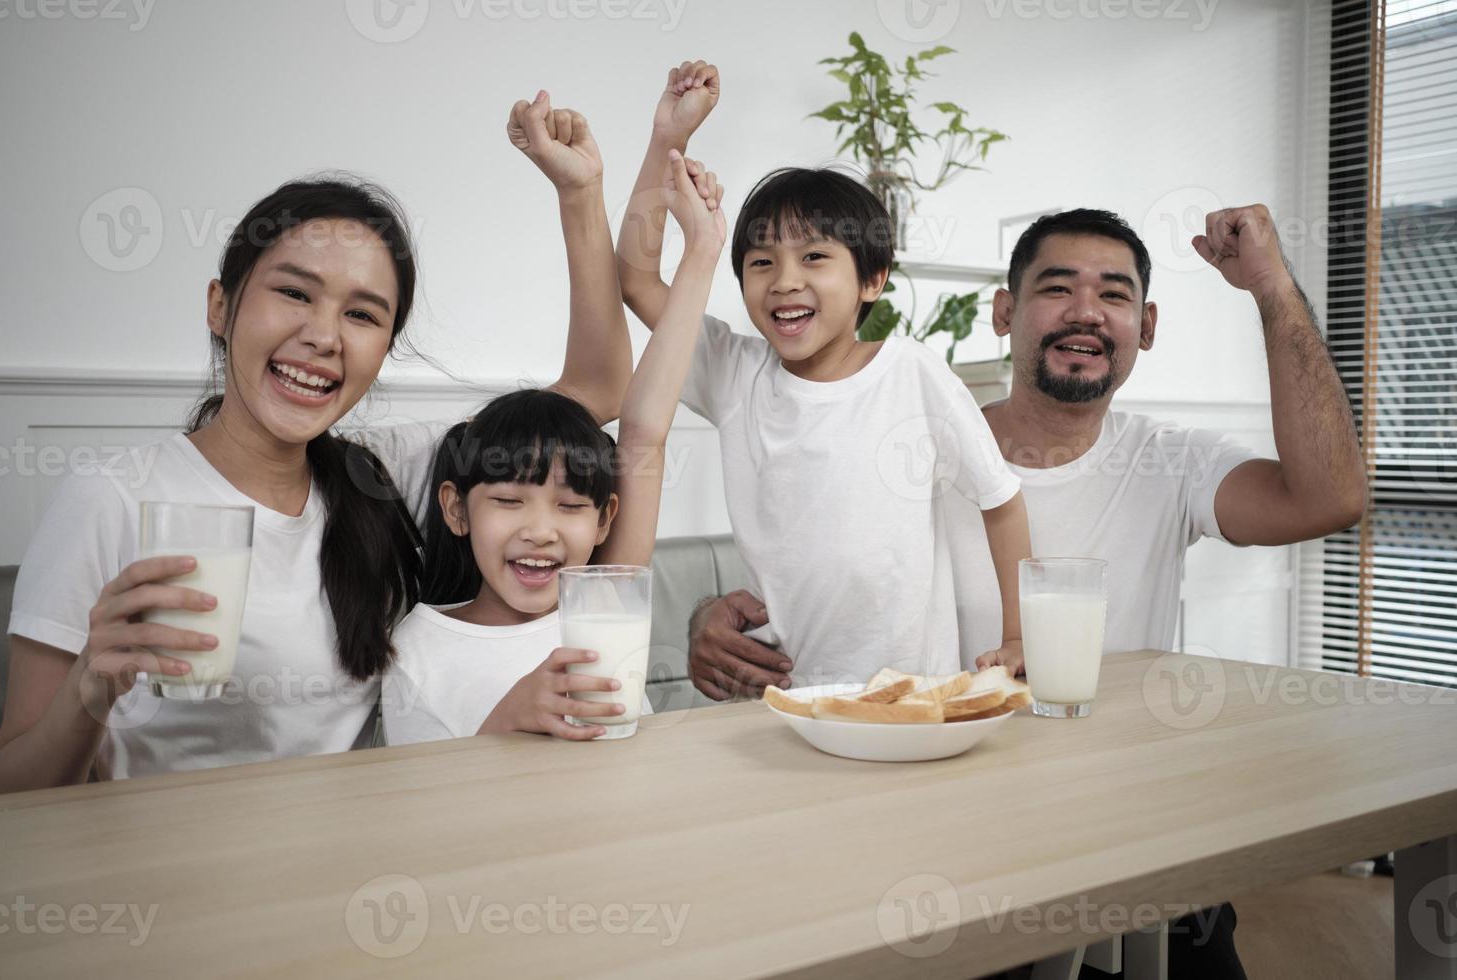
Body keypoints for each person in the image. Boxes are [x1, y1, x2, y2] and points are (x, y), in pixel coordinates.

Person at [692, 205, 1366, 979]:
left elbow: (1329, 498)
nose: (1085, 311)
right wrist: (711, 622)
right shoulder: (905, 443)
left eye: (1114, 295)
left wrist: (1273, 288)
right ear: (1005, 313)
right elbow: (811, 588)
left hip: (1130, 848)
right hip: (947, 855)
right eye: (1057, 288)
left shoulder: (1170, 463)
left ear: (1145, 327)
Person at [0, 92, 633, 792]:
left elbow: (594, 392)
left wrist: (580, 192)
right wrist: (90, 689)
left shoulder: (382, 473)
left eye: (361, 314)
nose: (324, 336)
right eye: (294, 293)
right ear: (220, 304)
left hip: (353, 874)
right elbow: (10, 796)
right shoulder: (110, 498)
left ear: (384, 349)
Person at [616, 59, 1033, 695]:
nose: (785, 280)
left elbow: (1001, 501)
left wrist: (1019, 636)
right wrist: (666, 142)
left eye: (814, 257)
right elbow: (638, 279)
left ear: (873, 278)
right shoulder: (736, 374)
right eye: (762, 262)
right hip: (784, 700)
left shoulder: (914, 374)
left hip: (910, 698)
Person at [382, 142, 728, 743]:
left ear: (603, 521)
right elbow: (427, 814)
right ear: (456, 508)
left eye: (570, 507)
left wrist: (702, 251)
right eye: (511, 501)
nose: (541, 530)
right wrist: (509, 722)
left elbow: (646, 424)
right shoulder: (419, 650)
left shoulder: (602, 603)